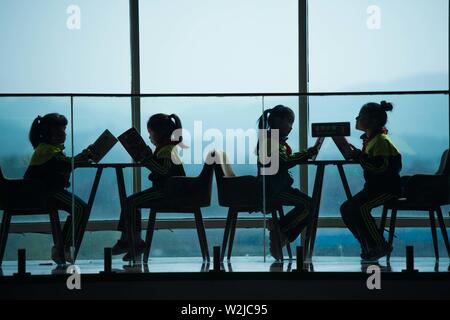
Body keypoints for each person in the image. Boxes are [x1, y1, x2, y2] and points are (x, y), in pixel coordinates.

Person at [112, 113, 186, 261]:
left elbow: (163, 170)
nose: (150, 138)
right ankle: (130, 240)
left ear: (160, 134)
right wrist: (148, 158)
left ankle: (132, 241)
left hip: (166, 192)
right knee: (131, 202)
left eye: (151, 134)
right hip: (167, 190)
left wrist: (146, 159)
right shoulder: (167, 148)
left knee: (131, 202)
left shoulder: (167, 150)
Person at [24, 113, 92, 264]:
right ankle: (63, 248)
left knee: (80, 208)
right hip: (45, 193)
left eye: (64, 130)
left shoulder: (47, 150)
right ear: (49, 133)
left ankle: (63, 246)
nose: (64, 134)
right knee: (80, 208)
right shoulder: (47, 151)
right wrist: (85, 156)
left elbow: (64, 164)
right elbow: (66, 164)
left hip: (48, 192)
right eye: (60, 130)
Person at [340, 101, 402, 262]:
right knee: (347, 209)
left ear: (372, 121)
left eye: (360, 116)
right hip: (374, 188)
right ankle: (368, 244)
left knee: (360, 208)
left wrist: (360, 157)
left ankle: (379, 244)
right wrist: (361, 156)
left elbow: (380, 167)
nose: (357, 118)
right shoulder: (373, 140)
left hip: (386, 189)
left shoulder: (381, 141)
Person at [257, 105, 318, 260]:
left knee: (309, 204)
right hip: (274, 190)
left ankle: (280, 232)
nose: (291, 127)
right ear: (278, 122)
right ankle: (281, 232)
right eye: (289, 122)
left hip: (277, 187)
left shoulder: (272, 140)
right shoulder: (270, 141)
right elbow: (283, 162)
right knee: (309, 205)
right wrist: (305, 154)